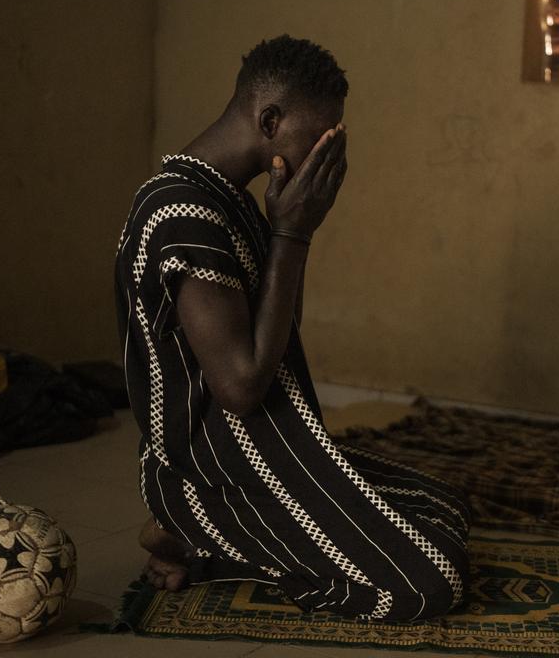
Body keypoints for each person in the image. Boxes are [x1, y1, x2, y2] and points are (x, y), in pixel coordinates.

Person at [113, 35, 470, 621]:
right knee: (431, 583)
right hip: (219, 470)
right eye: (321, 136)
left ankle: (208, 538)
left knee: (444, 505)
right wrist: (293, 235)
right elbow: (243, 387)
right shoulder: (182, 214)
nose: (328, 154)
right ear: (271, 120)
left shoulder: (233, 203)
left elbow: (279, 341)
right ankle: (194, 526)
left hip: (274, 450)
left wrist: (290, 231)